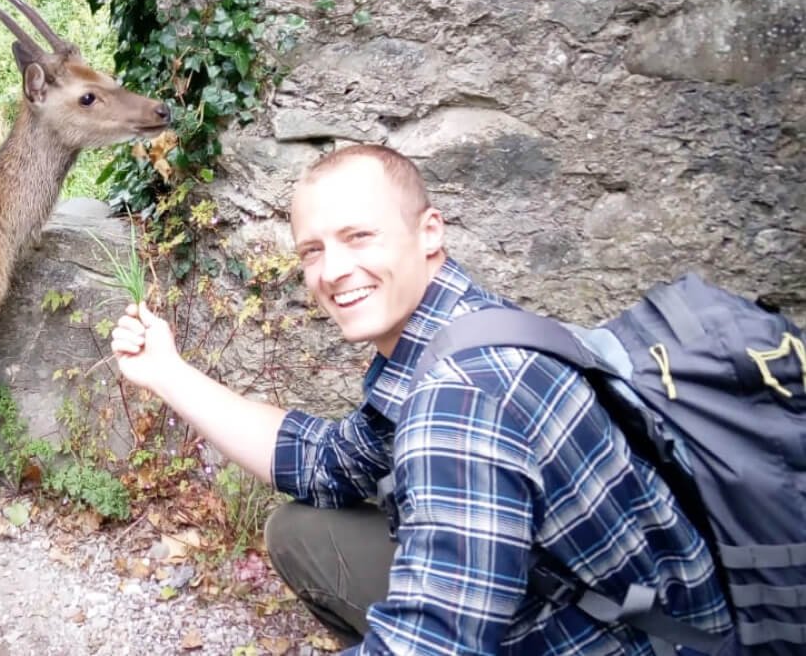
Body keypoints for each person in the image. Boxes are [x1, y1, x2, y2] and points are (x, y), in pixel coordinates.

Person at [108, 145, 732, 655]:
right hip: (631, 609)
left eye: (359, 237)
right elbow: (327, 463)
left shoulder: (459, 399)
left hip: (624, 641)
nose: (332, 271)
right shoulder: (458, 324)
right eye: (313, 250)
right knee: (301, 529)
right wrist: (167, 373)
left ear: (429, 231)